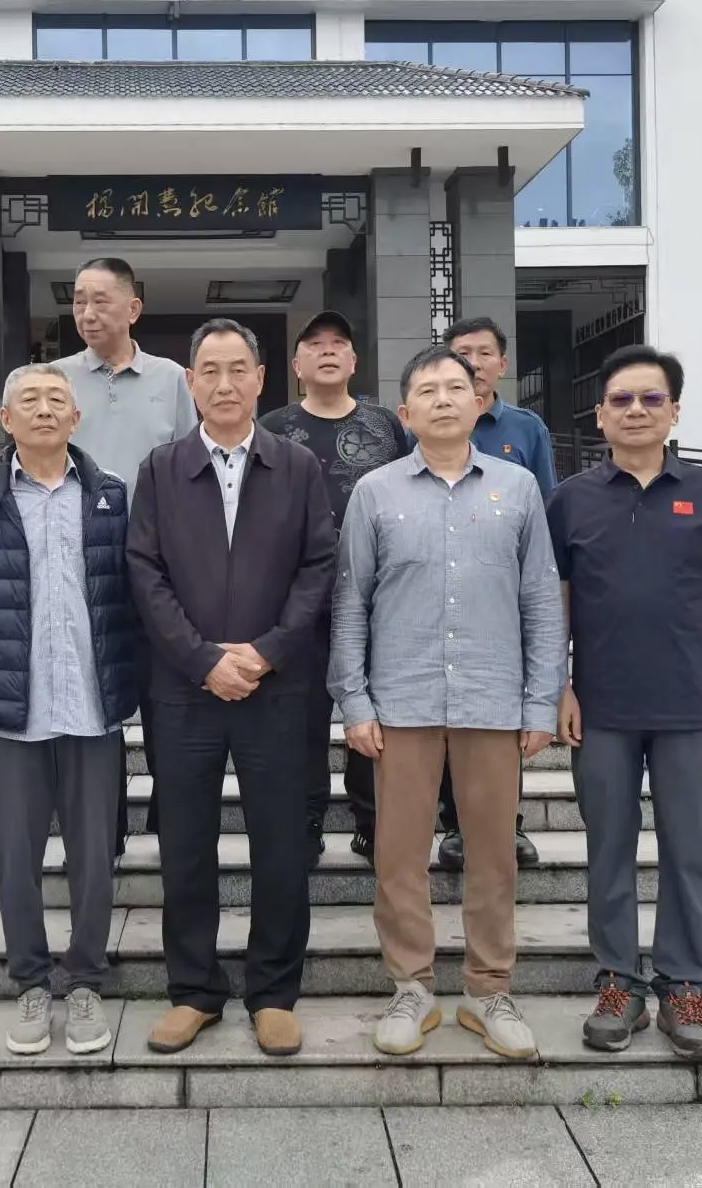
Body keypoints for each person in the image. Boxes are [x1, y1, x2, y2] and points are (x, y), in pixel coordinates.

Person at [331, 346, 565, 1058]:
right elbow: (351, 600)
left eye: (455, 387)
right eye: (427, 390)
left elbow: (540, 598)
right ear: (405, 413)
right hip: (400, 704)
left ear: (478, 400)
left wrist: (541, 702)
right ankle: (412, 987)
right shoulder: (374, 491)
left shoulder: (518, 488)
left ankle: (489, 990)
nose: (442, 399)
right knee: (398, 856)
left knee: (493, 855)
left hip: (492, 701)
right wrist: (354, 701)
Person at [127, 318, 336, 1058]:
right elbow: (144, 572)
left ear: (260, 379)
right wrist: (202, 659)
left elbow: (319, 566)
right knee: (186, 845)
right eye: (208, 370)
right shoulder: (162, 469)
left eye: (237, 369)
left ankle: (273, 991)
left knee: (280, 845)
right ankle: (194, 989)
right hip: (184, 691)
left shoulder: (296, 466)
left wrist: (269, 651)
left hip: (276, 690)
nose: (223, 384)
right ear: (190, 382)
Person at [547, 345, 702, 1059]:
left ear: (674, 411)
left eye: (651, 398)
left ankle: (684, 982)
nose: (636, 410)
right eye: (622, 400)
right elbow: (556, 599)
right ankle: (618, 981)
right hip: (601, 707)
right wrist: (559, 684)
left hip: (688, 709)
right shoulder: (571, 499)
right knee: (607, 848)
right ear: (600, 414)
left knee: (690, 851)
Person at [0, 364, 138, 1057]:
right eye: (29, 399)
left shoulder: (111, 494)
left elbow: (126, 592)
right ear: (6, 419)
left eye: (58, 398)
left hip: (92, 703)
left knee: (94, 856)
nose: (45, 409)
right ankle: (29, 980)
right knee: (15, 855)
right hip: (12, 707)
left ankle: (85, 980)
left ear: (76, 418)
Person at [53, 258, 198, 853]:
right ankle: (101, 836)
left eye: (101, 300)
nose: (87, 313)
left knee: (168, 704)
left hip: (160, 569)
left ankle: (173, 828)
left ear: (133, 308)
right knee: (96, 705)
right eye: (79, 300)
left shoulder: (172, 378)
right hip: (80, 568)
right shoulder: (54, 378)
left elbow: (190, 470)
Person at [258, 310, 408, 866]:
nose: (327, 351)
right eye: (315, 344)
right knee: (301, 717)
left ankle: (372, 822)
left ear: (353, 361)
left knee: (373, 712)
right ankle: (306, 821)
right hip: (297, 598)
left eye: (338, 343)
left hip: (376, 598)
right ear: (296, 365)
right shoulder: (272, 428)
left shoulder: (385, 426)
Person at [436, 315, 559, 873]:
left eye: (485, 353)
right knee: (445, 712)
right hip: (439, 588)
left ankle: (509, 822)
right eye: (463, 352)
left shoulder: (526, 429)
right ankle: (455, 823)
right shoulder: (430, 420)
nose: (475, 362)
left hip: (503, 595)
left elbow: (546, 509)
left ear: (502, 364)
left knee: (502, 715)